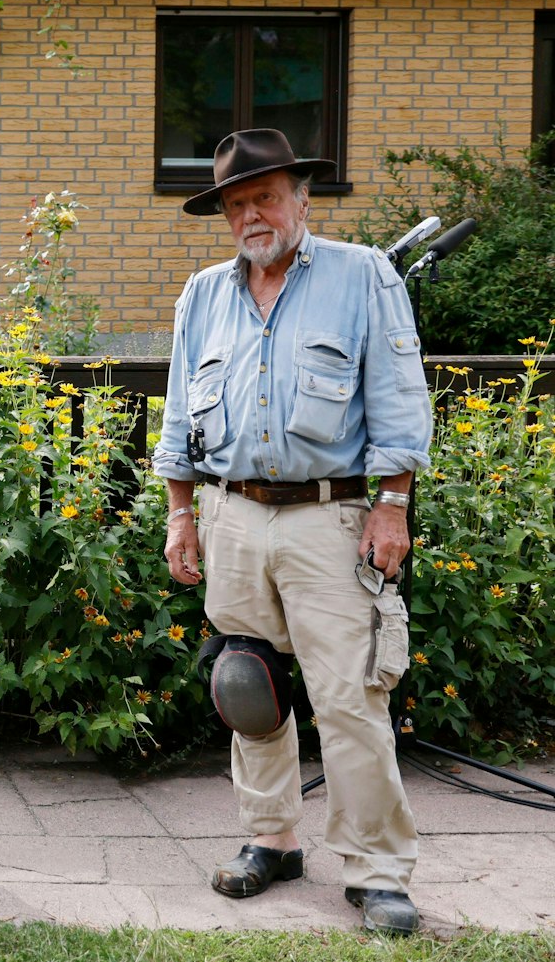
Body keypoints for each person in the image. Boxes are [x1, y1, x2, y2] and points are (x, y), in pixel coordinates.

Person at [154, 128, 432, 935]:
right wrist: (180, 511)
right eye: (237, 202)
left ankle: (378, 870)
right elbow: (178, 417)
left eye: (266, 196)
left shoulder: (362, 275)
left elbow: (400, 399)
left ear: (301, 199)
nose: (252, 214)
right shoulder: (202, 294)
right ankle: (270, 839)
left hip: (331, 516)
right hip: (233, 512)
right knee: (249, 692)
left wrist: (393, 503)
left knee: (350, 698)